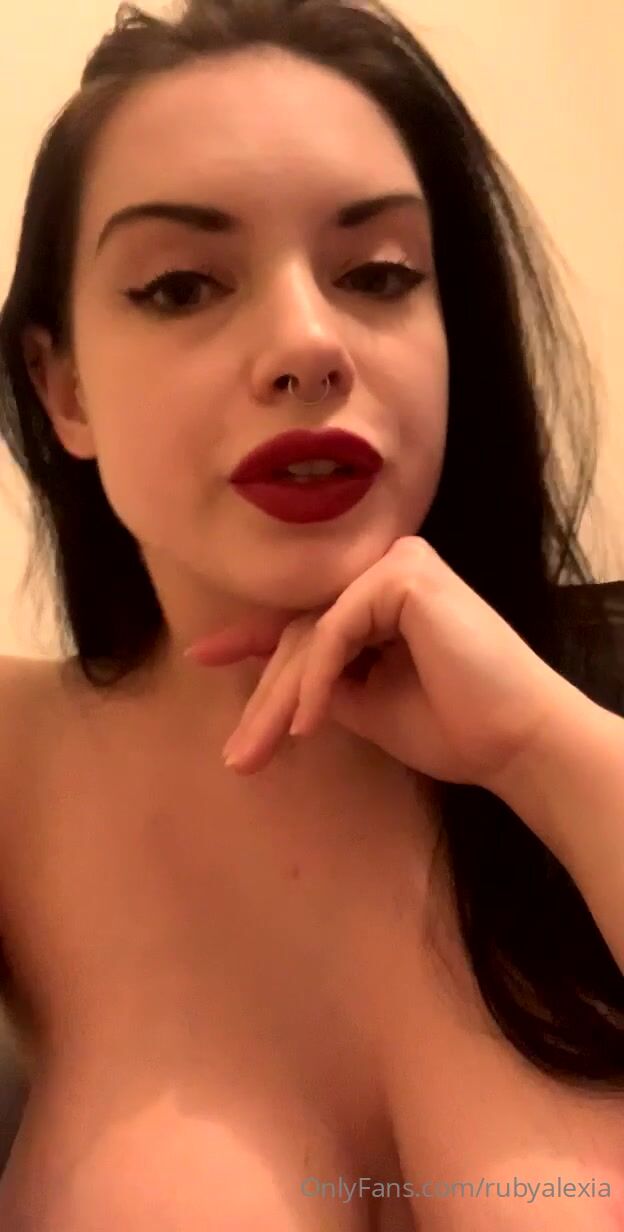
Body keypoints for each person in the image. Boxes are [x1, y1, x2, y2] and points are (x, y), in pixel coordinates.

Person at [0, 0, 622, 1226]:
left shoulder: (589, 710)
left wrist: (542, 750)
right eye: (182, 285)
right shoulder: (16, 765)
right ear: (62, 387)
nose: (306, 342)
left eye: (380, 275)